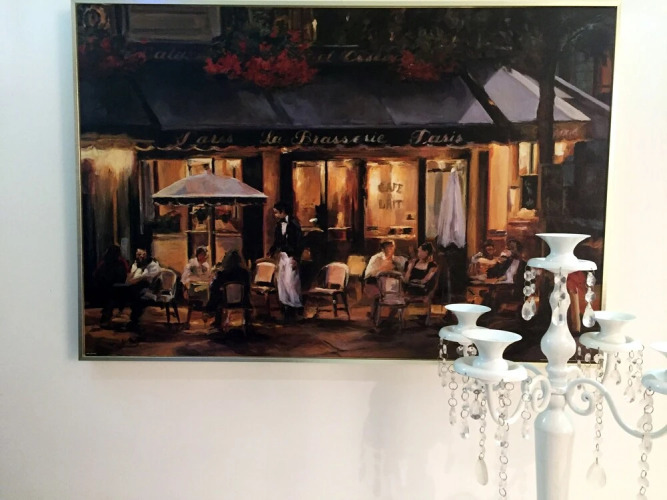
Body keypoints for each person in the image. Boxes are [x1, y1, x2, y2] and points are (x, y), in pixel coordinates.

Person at [269, 201, 303, 318]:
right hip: (282, 255)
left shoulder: (294, 224)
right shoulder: (278, 225)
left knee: (291, 281)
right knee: (281, 281)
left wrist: (296, 258)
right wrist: (271, 251)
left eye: (276, 213)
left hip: (291, 256)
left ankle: (296, 305)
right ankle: (285, 305)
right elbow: (277, 241)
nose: (275, 215)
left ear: (283, 212)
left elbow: (299, 243)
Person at [205, 250, 251, 327]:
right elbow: (247, 288)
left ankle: (213, 315)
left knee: (215, 293)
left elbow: (214, 287)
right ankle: (247, 322)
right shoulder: (245, 273)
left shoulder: (222, 273)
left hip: (226, 301)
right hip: (242, 300)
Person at [124, 248, 161, 329]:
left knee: (137, 295)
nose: (141, 256)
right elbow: (129, 279)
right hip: (135, 287)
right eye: (138, 254)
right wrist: (133, 273)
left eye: (143, 254)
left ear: (148, 255)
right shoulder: (135, 265)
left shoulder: (153, 266)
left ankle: (134, 321)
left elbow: (146, 279)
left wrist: (134, 280)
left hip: (150, 289)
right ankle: (133, 321)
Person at [94, 244, 129, 327]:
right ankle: (110, 315)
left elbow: (96, 274)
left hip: (105, 287)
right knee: (115, 297)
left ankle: (107, 315)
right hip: (113, 287)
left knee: (110, 299)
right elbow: (124, 274)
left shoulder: (104, 262)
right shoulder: (120, 262)